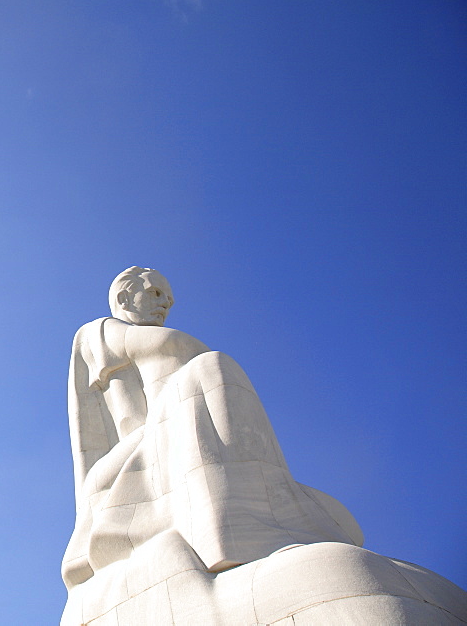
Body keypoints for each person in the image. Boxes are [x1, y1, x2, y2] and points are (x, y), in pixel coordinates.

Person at [62, 267, 466, 625]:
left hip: (182, 438)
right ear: (123, 296)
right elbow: (172, 348)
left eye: (168, 296)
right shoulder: (99, 333)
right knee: (210, 368)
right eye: (154, 293)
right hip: (141, 450)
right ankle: (228, 536)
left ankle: (251, 525)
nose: (166, 302)